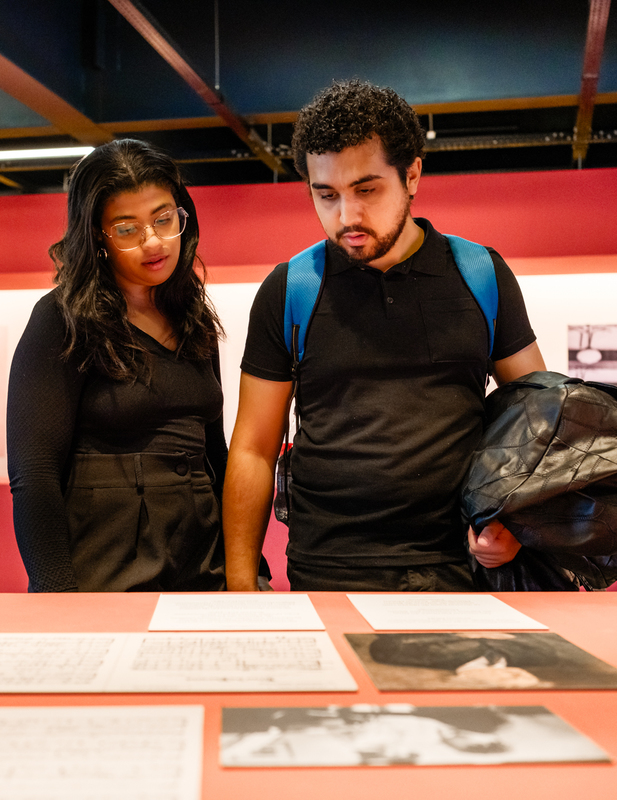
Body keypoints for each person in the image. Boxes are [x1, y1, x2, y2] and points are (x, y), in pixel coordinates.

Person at [222, 80, 546, 592]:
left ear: (412, 173)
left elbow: (540, 424)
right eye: (325, 195)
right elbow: (254, 449)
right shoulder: (291, 288)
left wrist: (516, 524)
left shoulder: (481, 274)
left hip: (460, 570)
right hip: (327, 570)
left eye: (367, 190)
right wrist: (239, 584)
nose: (346, 216)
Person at [6, 139, 229, 592]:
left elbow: (215, 457)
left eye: (165, 220)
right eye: (128, 229)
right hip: (103, 575)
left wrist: (249, 567)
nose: (154, 242)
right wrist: (56, 595)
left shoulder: (193, 317)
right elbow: (34, 475)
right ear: (96, 238)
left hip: (202, 567)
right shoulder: (61, 318)